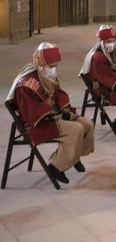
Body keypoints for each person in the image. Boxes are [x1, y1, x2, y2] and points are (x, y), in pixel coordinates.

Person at [7, 42, 94, 184]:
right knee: (76, 129)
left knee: (87, 124)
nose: (54, 70)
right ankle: (55, 167)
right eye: (51, 66)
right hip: (38, 123)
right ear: (41, 63)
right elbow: (33, 112)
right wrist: (59, 115)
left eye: (56, 66)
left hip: (54, 116)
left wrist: (65, 111)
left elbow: (58, 95)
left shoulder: (45, 75)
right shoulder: (26, 84)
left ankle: (74, 156)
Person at [79, 25, 116, 139]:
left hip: (112, 84)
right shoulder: (97, 57)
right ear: (101, 41)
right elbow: (106, 77)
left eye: (113, 41)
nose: (112, 43)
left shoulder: (106, 50)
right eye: (109, 41)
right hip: (105, 89)